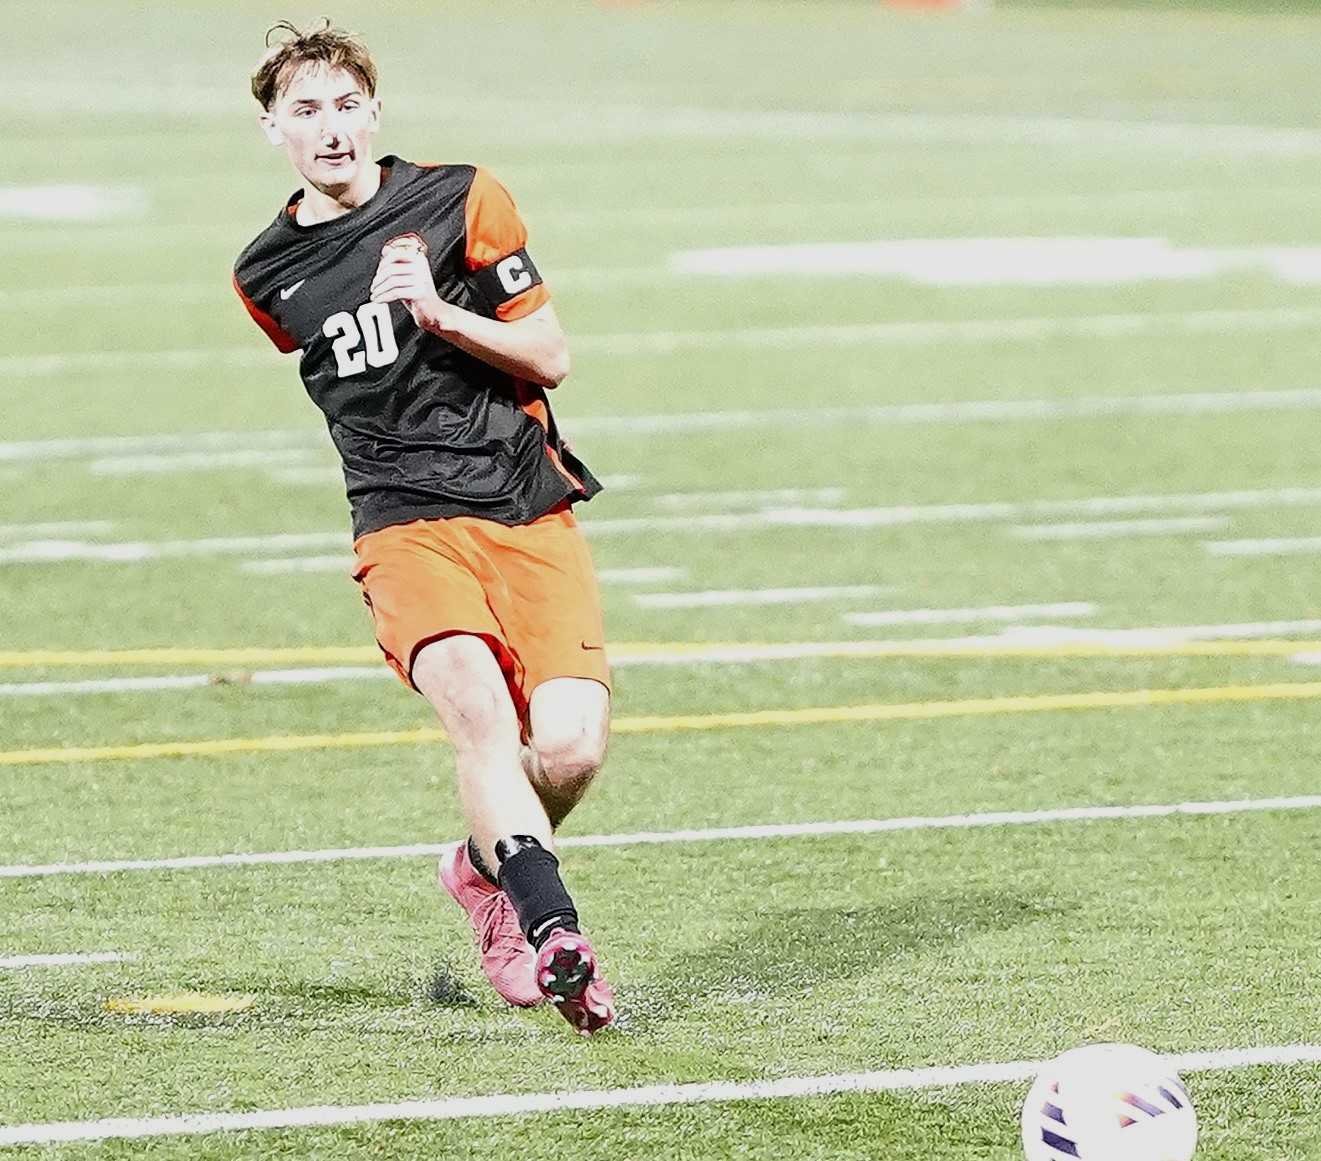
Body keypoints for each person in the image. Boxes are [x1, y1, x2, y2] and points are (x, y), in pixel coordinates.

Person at [232, 20, 615, 1034]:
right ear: (272, 129)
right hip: (400, 523)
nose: (330, 128)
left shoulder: (461, 197)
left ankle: (481, 871)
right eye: (305, 111)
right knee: (482, 722)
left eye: (346, 105)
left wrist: (442, 316)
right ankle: (550, 931)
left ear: (375, 112)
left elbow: (549, 355)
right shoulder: (264, 273)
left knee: (568, 751)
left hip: (524, 504)